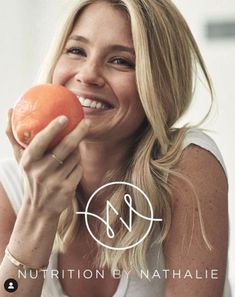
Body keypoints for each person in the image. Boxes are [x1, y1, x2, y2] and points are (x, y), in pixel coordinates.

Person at [0, 0, 230, 296]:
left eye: (120, 61)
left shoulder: (187, 164)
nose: (88, 74)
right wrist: (39, 212)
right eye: (76, 51)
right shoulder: (12, 187)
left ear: (159, 83)